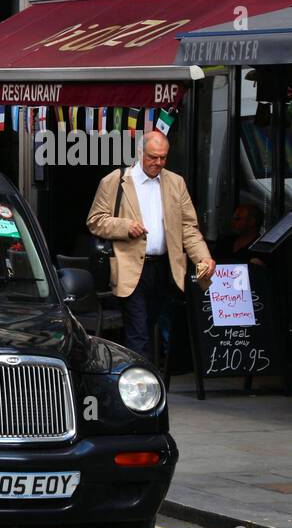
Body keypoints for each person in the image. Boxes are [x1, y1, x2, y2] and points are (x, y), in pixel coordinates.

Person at [87, 130, 216, 359]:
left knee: (148, 325)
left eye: (163, 157)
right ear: (139, 153)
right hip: (129, 268)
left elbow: (189, 228)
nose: (158, 163)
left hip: (164, 268)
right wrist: (124, 226)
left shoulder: (176, 183)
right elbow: (95, 221)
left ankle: (135, 378)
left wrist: (203, 258)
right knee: (139, 333)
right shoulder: (115, 181)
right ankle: (141, 387)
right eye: (153, 157)